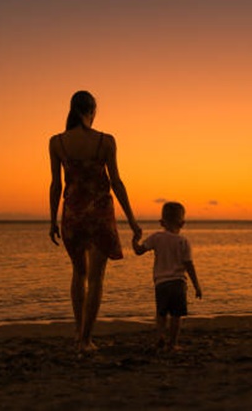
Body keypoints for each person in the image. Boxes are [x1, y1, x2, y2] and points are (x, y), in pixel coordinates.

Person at [49, 90, 142, 353]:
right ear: (93, 111)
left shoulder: (57, 142)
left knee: (78, 273)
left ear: (72, 109)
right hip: (100, 215)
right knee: (96, 279)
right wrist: (132, 221)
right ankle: (86, 340)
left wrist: (52, 220)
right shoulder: (106, 141)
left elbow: (56, 184)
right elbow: (117, 182)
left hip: (73, 214)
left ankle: (78, 333)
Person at [132, 201, 202, 351]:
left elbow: (138, 251)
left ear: (162, 222)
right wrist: (197, 286)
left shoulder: (156, 237)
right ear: (182, 223)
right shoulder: (183, 241)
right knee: (176, 315)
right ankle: (173, 343)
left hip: (161, 283)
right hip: (178, 283)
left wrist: (135, 240)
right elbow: (189, 265)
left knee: (161, 314)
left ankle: (160, 337)